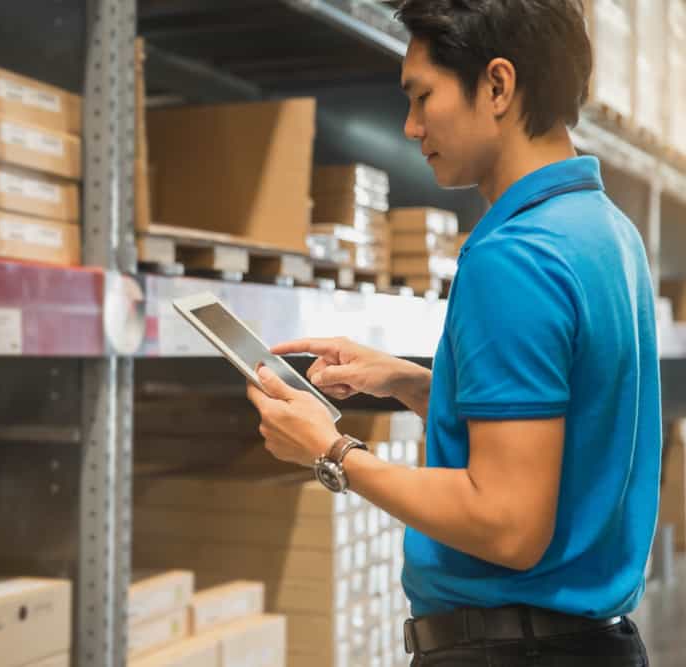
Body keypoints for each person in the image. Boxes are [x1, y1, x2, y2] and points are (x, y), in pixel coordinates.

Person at [245, 1, 661, 665]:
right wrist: (413, 382)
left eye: (422, 96)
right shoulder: (606, 231)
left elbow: (507, 521)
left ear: (497, 85)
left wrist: (332, 451)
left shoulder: (517, 255)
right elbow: (569, 426)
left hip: (511, 651)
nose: (410, 126)